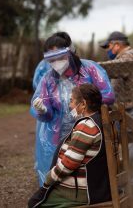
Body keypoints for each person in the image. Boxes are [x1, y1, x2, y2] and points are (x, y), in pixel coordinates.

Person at [31, 32, 114, 187]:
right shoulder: (48, 79)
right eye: (51, 59)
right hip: (59, 135)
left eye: (59, 56)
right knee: (63, 166)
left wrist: (84, 104)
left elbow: (108, 96)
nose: (56, 62)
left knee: (89, 165)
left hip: (90, 130)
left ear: (69, 52)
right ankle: (62, 193)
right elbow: (47, 114)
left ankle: (91, 192)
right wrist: (42, 110)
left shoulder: (89, 69)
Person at [28, 84, 111, 208]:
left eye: (72, 101)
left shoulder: (87, 125)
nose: (70, 105)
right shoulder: (102, 120)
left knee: (34, 203)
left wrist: (49, 178)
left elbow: (69, 164)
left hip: (85, 192)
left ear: (83, 104)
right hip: (100, 186)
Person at [99, 31, 133, 128]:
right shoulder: (121, 56)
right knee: (129, 141)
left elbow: (117, 68)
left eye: (109, 46)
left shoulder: (130, 55)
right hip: (131, 108)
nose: (108, 49)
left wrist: (94, 67)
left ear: (117, 45)